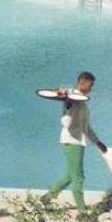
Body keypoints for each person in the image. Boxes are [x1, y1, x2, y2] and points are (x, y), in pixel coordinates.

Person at [45, 71, 107, 210]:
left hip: (77, 141)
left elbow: (86, 127)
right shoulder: (71, 96)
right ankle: (82, 213)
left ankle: (47, 198)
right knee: (78, 177)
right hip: (72, 141)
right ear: (83, 82)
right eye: (91, 85)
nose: (92, 88)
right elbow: (67, 107)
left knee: (69, 175)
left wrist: (97, 142)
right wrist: (66, 101)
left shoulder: (83, 101)